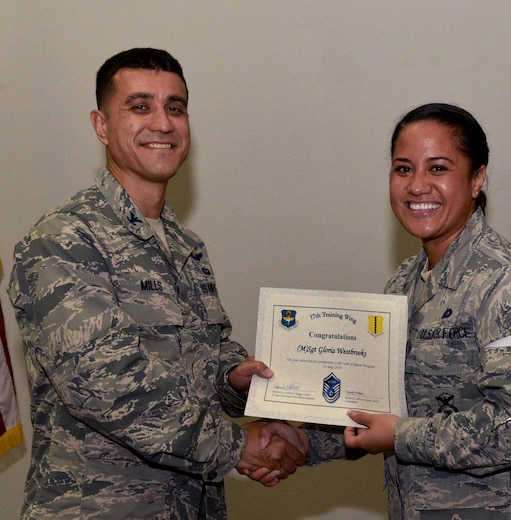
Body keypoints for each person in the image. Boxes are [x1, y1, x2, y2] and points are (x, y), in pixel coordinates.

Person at [7, 48, 306, 519]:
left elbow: (206, 348)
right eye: (140, 106)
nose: (163, 123)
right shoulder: (64, 239)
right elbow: (106, 384)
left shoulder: (186, 245)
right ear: (101, 125)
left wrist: (234, 376)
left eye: (176, 107)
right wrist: (236, 446)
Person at [303, 103, 511, 519]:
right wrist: (296, 443)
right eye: (403, 169)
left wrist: (401, 436)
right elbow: (381, 410)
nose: (416, 186)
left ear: (477, 179)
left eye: (438, 168)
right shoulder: (403, 285)